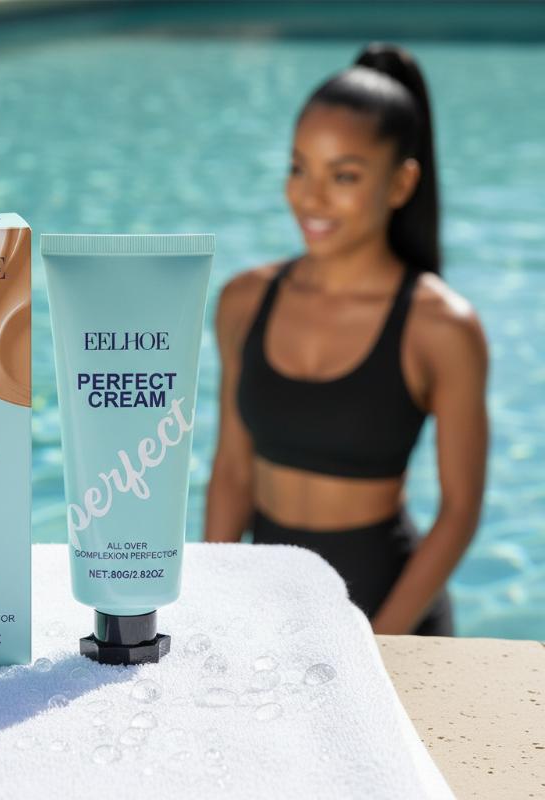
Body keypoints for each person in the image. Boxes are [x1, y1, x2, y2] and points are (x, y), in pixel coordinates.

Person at [203, 43, 489, 636]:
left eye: (345, 176)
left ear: (401, 183)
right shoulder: (243, 302)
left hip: (390, 614)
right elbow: (232, 472)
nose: (311, 197)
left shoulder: (441, 327)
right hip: (267, 609)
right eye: (298, 168)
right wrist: (212, 604)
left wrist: (381, 640)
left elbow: (459, 512)